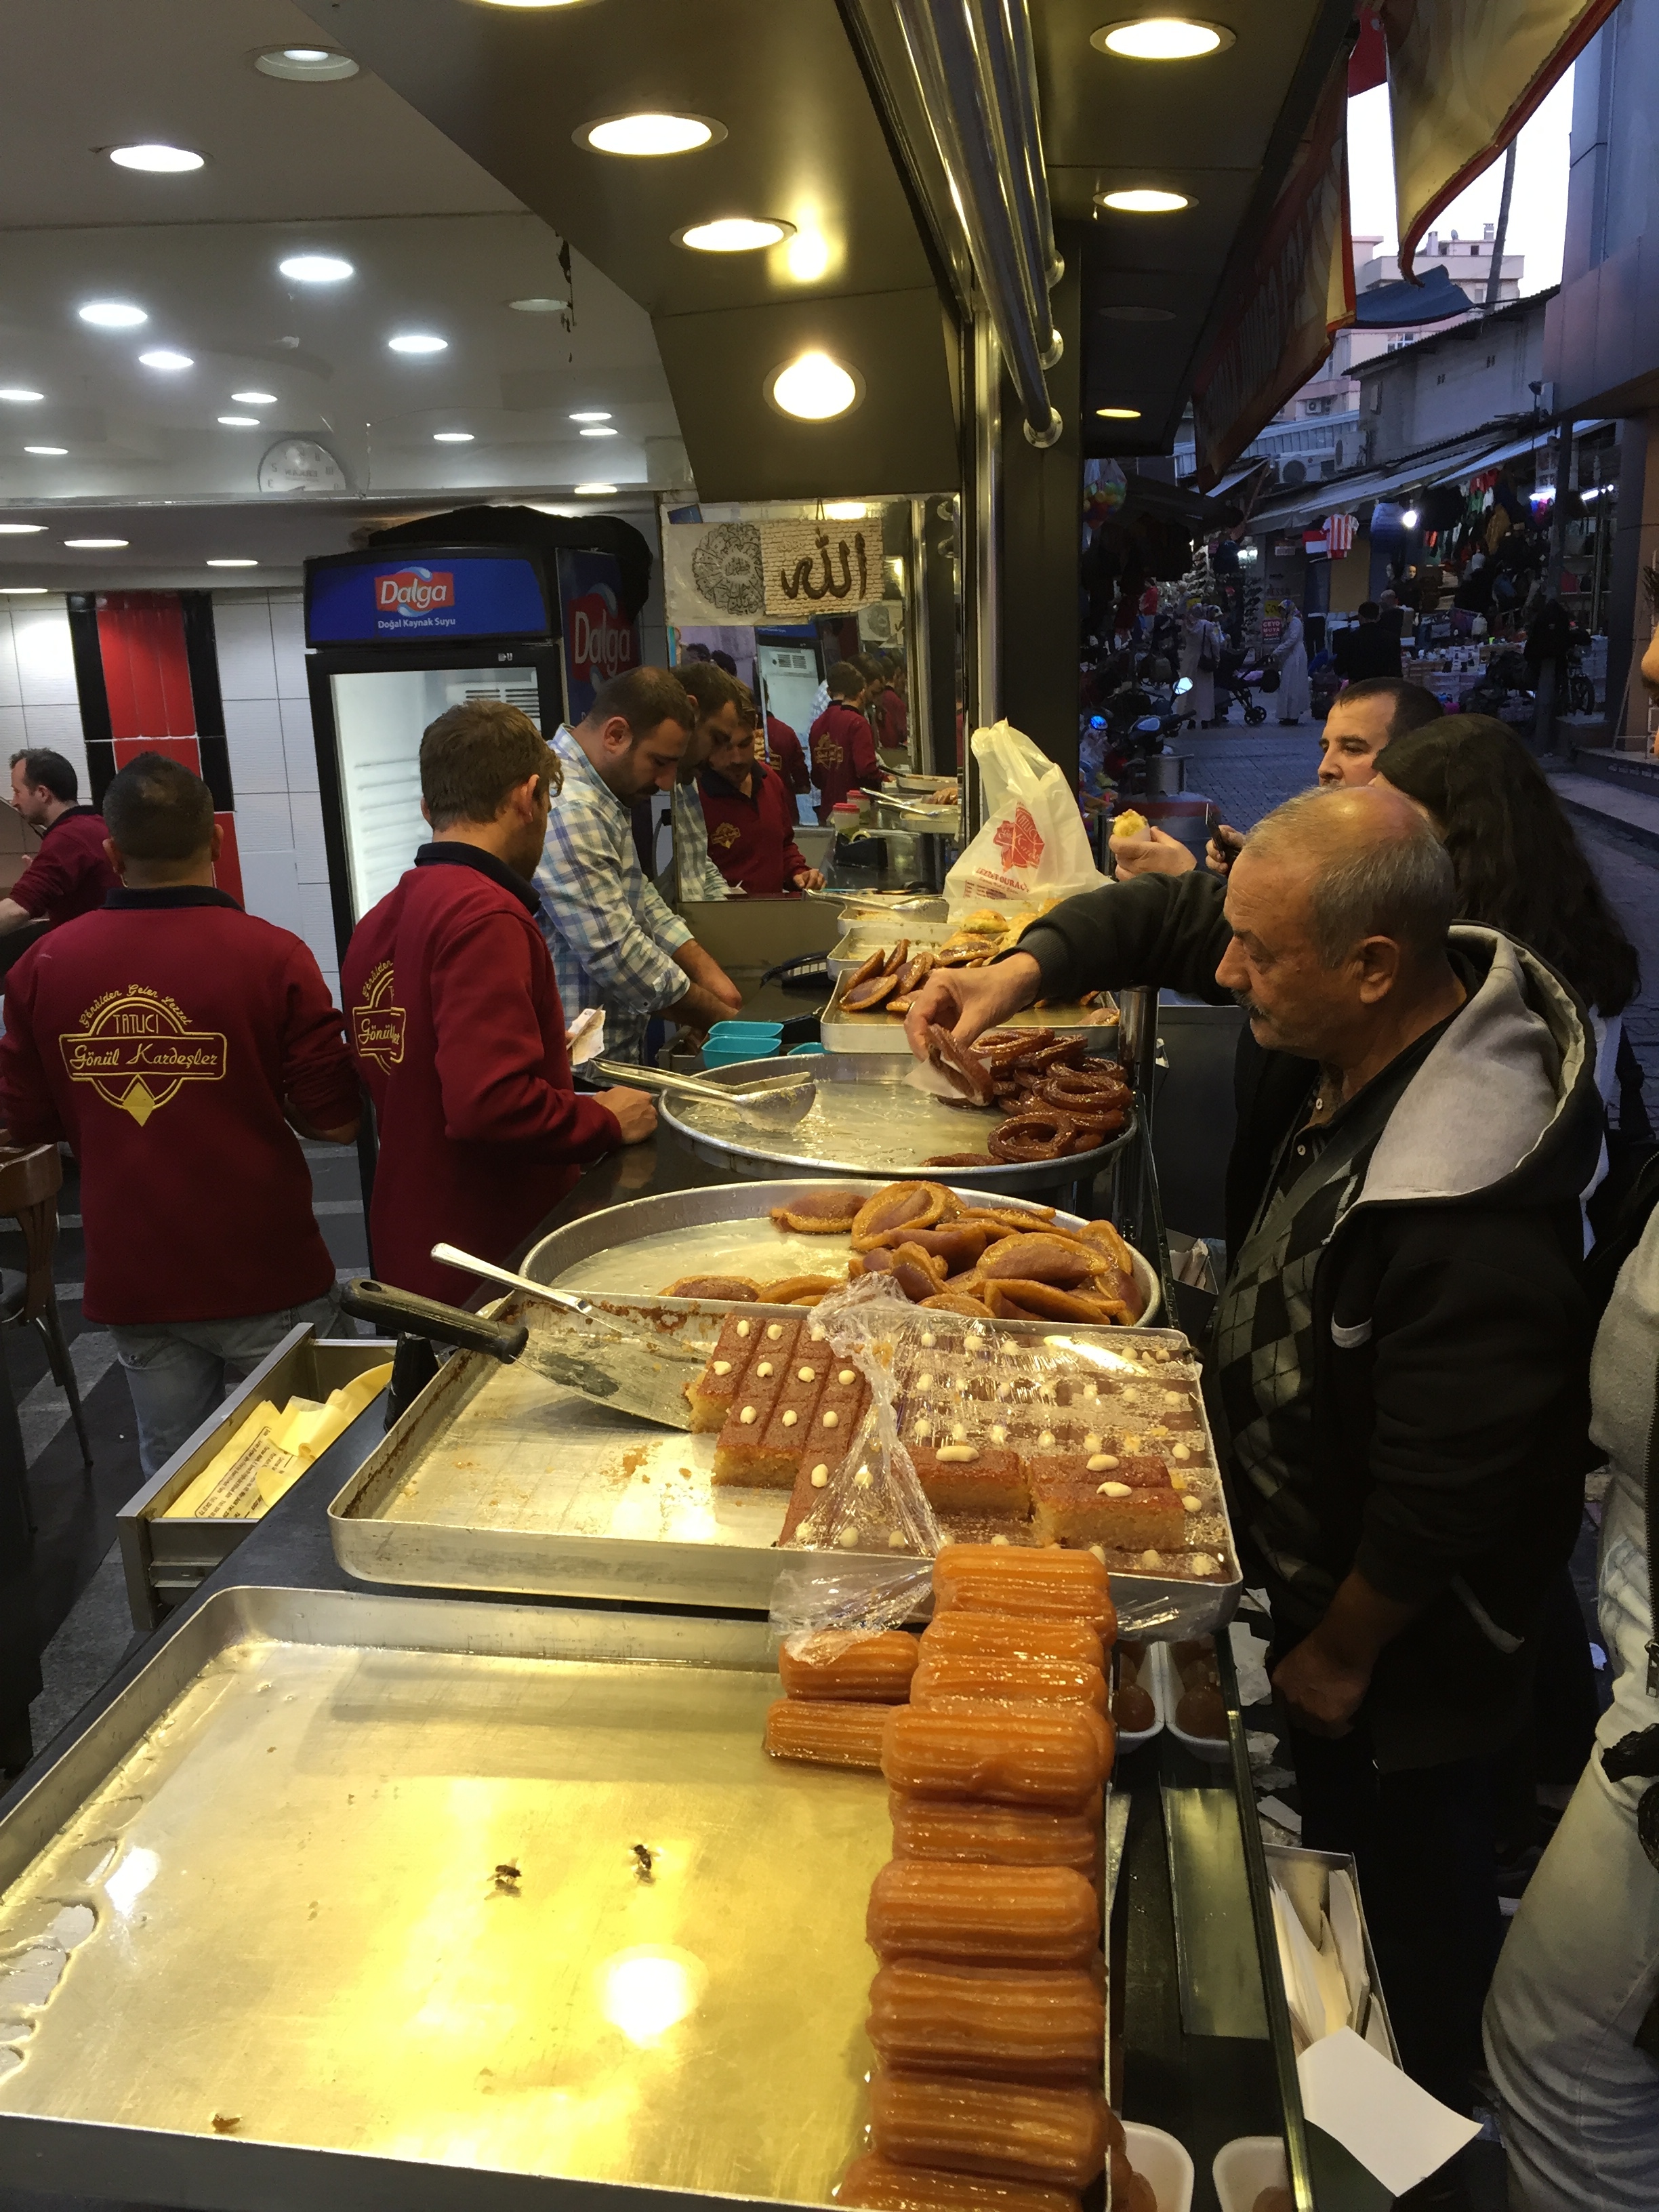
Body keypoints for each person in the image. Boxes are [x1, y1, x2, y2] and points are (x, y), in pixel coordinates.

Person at [905, 785, 1602, 2113]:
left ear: (1372, 963)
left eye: (1257, 955)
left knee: (1398, 1917)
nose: (1225, 974)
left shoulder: (1472, 1210)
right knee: (1323, 1885)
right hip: (1297, 1575)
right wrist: (1019, 972)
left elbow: (1447, 1486)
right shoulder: (1345, 1011)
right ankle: (1339, 2081)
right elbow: (1168, 917)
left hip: (1403, 1659)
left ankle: (1405, 2135)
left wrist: (1340, 1651)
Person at [0, 752, 361, 1477]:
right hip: (267, 1271)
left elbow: (25, 1125)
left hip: (137, 1279)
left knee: (177, 1485)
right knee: (320, 1468)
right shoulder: (274, 957)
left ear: (111, 853)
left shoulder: (42, 967)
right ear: (217, 841)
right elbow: (337, 1123)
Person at [344, 701, 655, 1307]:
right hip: (488, 1261)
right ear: (528, 796)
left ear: (429, 808)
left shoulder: (380, 920)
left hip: (412, 1248)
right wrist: (605, 1119)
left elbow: (419, 1075)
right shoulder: (486, 916)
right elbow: (488, 1107)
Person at [536, 668, 742, 1062]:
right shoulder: (571, 805)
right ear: (615, 735)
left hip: (603, 1059)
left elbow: (639, 895)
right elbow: (617, 954)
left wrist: (706, 972)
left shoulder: (601, 796)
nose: (666, 782)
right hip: (574, 1068)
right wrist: (723, 1018)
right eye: (659, 762)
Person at [1112, 678, 1441, 880]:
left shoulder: (1414, 865)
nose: (1325, 768)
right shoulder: (1344, 840)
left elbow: (1286, 944)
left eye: (1353, 749)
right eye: (1325, 748)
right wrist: (1250, 863)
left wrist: (1186, 879)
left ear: (1412, 758)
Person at [697, 708, 825, 895]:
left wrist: (798, 873)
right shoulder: (695, 795)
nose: (737, 759)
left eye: (745, 744)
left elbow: (783, 846)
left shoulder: (769, 780)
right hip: (721, 911)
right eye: (726, 747)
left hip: (773, 908)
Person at [0, 748, 119, 937]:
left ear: (42, 793)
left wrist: (34, 889)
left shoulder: (68, 838)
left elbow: (17, 909)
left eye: (17, 792)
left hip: (90, 946)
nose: (14, 802)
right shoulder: (96, 824)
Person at [673, 659, 754, 901]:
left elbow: (697, 865)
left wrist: (725, 913)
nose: (714, 758)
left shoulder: (686, 781)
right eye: (717, 740)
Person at [810, 661, 885, 821]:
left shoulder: (817, 725)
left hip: (827, 811)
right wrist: (886, 780)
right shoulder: (856, 722)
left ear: (829, 691)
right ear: (861, 692)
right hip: (854, 811)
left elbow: (817, 778)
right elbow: (866, 769)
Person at [760, 707, 812, 824]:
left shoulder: (736, 733)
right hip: (784, 808)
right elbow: (803, 782)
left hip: (754, 812)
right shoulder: (785, 732)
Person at [1332, 602, 1403, 683]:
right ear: (1378, 617)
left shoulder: (1350, 639)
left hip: (1358, 686)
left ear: (1360, 617)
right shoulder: (1392, 639)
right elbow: (1397, 670)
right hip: (1383, 686)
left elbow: (1339, 669)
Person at [1179, 601, 1223, 726]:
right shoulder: (1208, 626)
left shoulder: (1186, 624)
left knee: (1189, 690)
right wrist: (1217, 659)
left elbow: (1184, 640)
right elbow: (1215, 643)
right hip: (1204, 660)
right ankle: (1205, 718)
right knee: (1204, 690)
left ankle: (1189, 717)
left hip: (1189, 660)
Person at [1269, 606, 1309, 724]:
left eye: (1282, 610)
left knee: (1293, 685)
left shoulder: (1295, 622)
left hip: (1296, 656)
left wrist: (1278, 651)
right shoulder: (1289, 622)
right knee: (1288, 684)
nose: (1281, 613)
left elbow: (1292, 639)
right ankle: (1288, 714)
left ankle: (1293, 715)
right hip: (1290, 655)